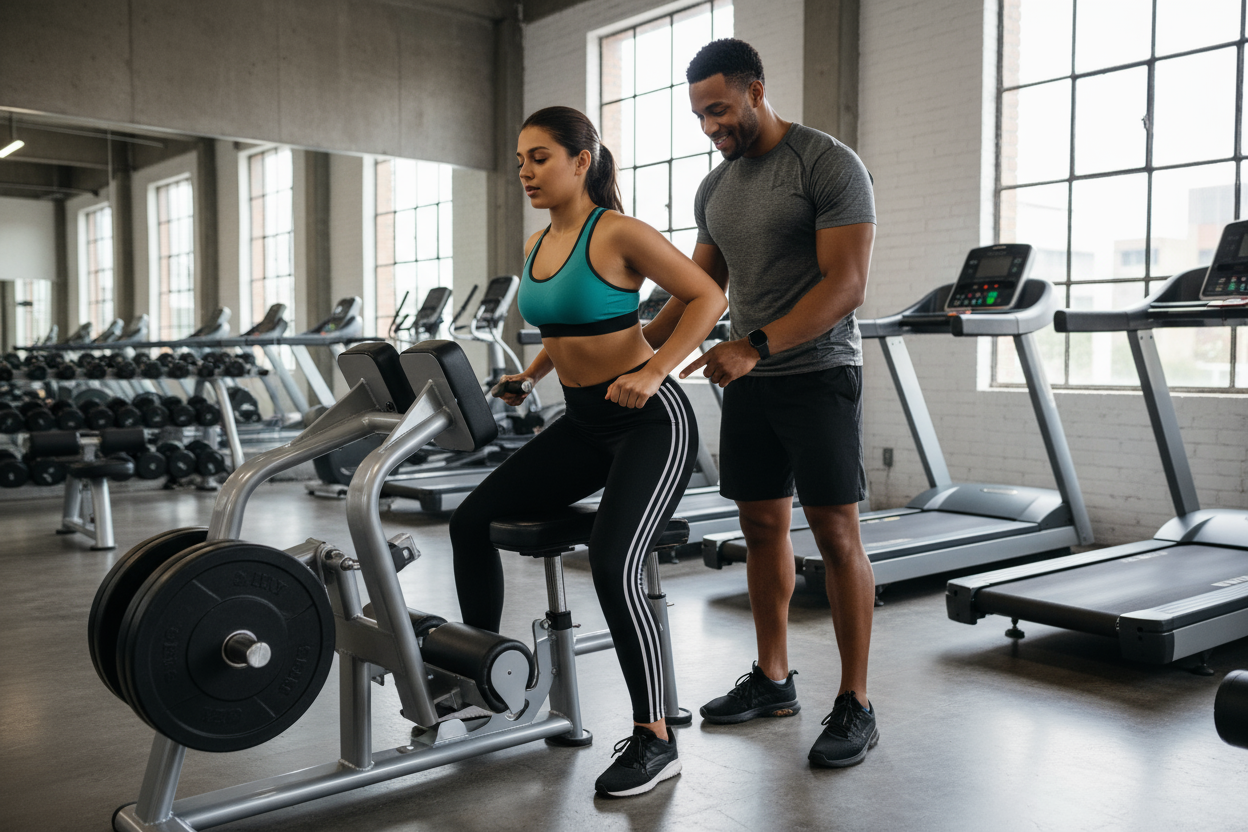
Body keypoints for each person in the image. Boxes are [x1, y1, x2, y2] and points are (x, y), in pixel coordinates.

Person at [447, 105, 727, 798]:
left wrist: (656, 369)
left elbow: (708, 297)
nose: (526, 173)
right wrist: (531, 376)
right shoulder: (537, 245)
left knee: (611, 560)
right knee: (469, 519)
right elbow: (569, 326)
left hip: (648, 423)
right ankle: (479, 679)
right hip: (580, 423)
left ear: (581, 161)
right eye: (519, 162)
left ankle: (655, 738)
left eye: (539, 158)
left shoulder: (620, 233)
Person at [645, 38, 879, 768]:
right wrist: (628, 351)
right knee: (759, 528)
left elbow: (846, 284)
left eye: (719, 110)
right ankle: (774, 678)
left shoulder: (828, 164)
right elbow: (698, 290)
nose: (711, 128)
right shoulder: (715, 190)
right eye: (699, 117)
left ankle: (856, 702)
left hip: (817, 373)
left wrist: (755, 345)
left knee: (835, 535)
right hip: (750, 383)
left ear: (755, 90)